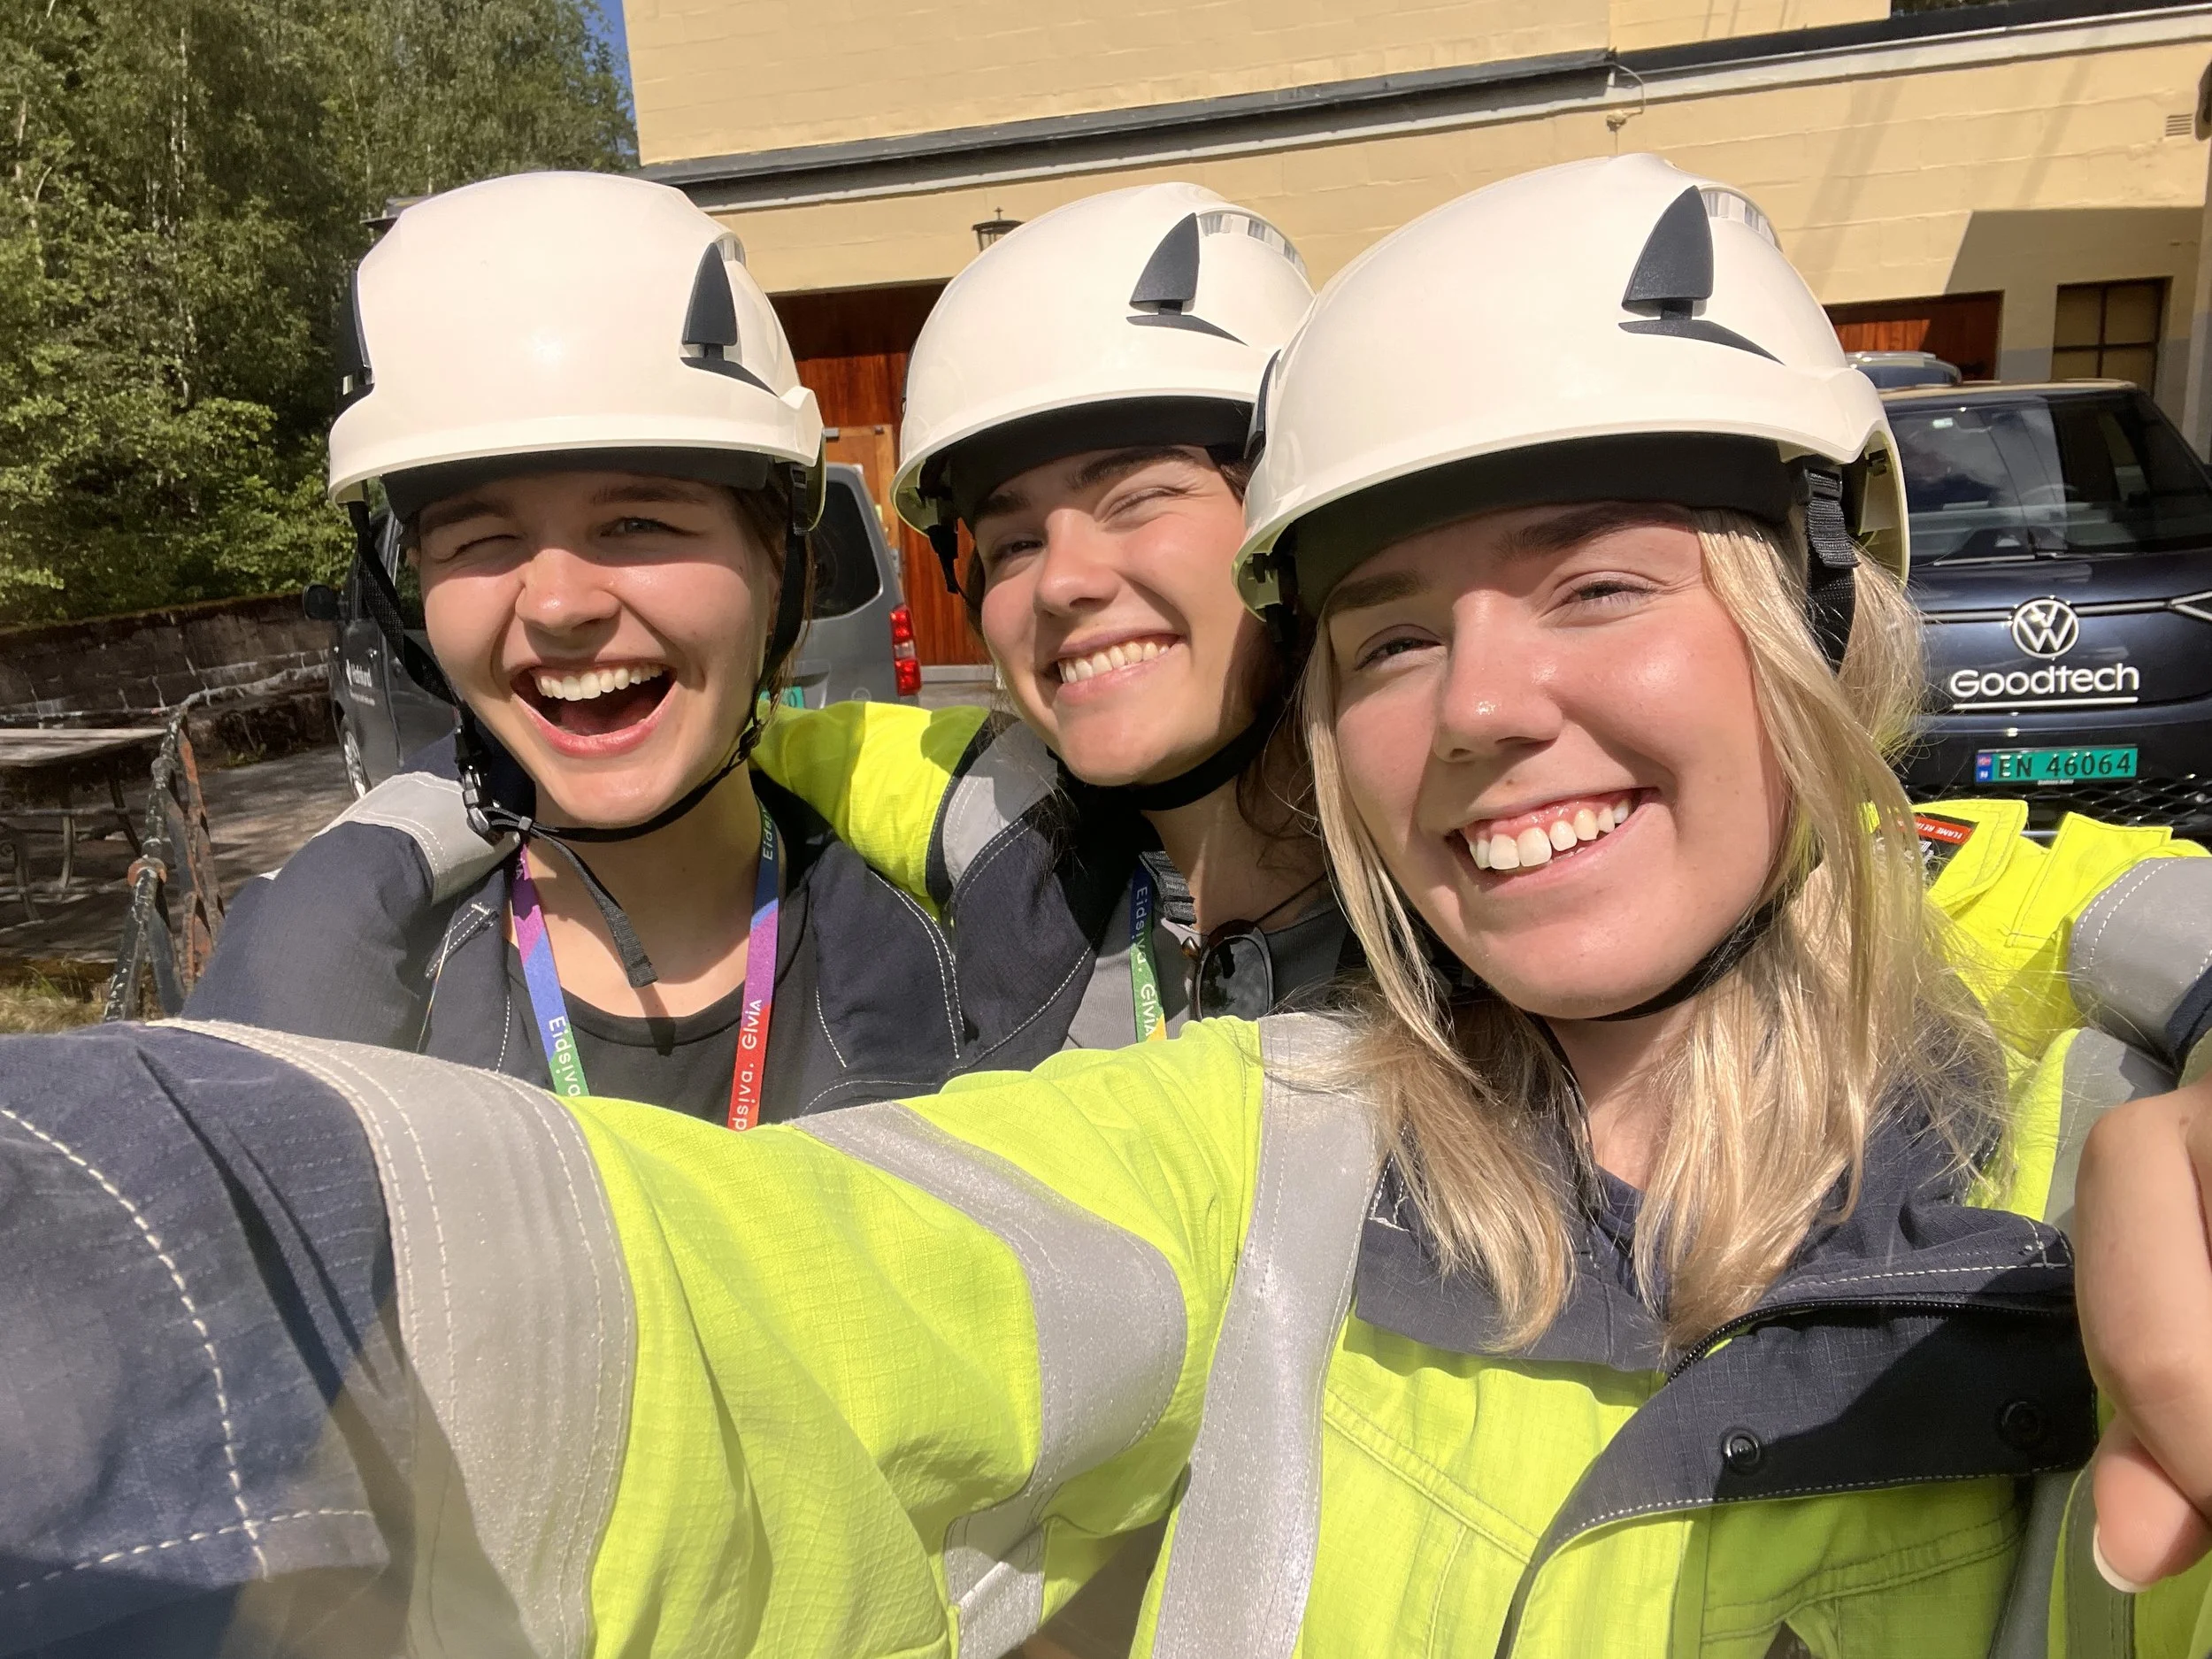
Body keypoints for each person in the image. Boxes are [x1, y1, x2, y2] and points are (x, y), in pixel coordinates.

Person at [14, 154, 2212, 1656]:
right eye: (1395, 634)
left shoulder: (2047, 1110)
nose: (1484, 704)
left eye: (1597, 587)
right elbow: (757, 1292)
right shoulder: (1244, 1107)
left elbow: (1976, 889)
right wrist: (188, 1187)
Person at [185, 171, 1068, 1121]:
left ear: (778, 560)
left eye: (639, 523)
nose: (559, 604)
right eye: (479, 539)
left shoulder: (974, 954)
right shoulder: (335, 1000)